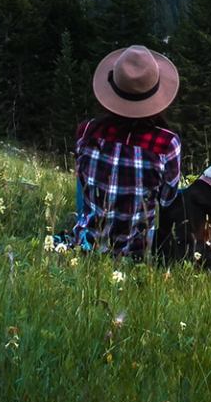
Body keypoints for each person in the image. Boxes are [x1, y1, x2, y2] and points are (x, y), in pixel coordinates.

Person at [73, 44, 182, 257]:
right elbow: (167, 200)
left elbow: (83, 177)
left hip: (87, 247)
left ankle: (89, 228)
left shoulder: (86, 131)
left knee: (84, 179)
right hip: (136, 253)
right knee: (178, 191)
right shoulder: (167, 143)